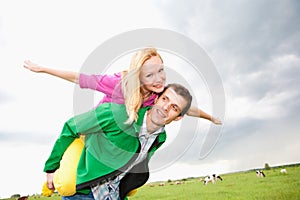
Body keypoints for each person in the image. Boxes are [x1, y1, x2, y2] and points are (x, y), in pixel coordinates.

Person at [44, 83, 193, 200]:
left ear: (178, 117)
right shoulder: (118, 114)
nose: (165, 108)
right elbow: (71, 126)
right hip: (83, 194)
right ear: (156, 99)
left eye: (174, 107)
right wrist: (51, 169)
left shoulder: (160, 137)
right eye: (165, 99)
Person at [23, 47, 221, 124]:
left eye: (161, 70)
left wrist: (210, 117)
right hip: (92, 129)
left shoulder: (159, 94)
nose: (159, 79)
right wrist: (43, 69)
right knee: (68, 183)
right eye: (150, 74)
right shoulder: (119, 84)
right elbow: (79, 78)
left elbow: (186, 108)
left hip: (116, 139)